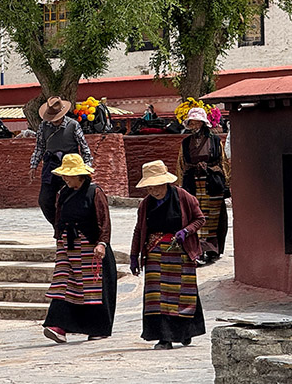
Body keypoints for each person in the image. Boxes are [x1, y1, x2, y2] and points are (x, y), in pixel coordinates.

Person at [130, 160, 207, 350]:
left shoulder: (182, 196)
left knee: (183, 295)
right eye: (150, 187)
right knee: (158, 297)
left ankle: (185, 332)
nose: (154, 191)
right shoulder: (146, 204)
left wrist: (185, 232)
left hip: (180, 252)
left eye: (156, 186)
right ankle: (164, 338)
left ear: (165, 182)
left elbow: (200, 219)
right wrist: (134, 256)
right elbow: (139, 230)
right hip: (155, 253)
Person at [42, 154, 116, 344]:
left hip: (90, 247)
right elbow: (59, 218)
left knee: (93, 289)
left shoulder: (95, 192)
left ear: (80, 175)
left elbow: (104, 221)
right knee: (63, 285)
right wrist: (59, 241)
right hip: (68, 247)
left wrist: (102, 243)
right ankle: (57, 326)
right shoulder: (63, 193)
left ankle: (97, 328)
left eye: (69, 175)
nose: (65, 179)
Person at [176, 107, 230, 264]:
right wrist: (180, 186)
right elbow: (181, 164)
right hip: (193, 184)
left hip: (212, 184)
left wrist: (226, 183)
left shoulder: (215, 141)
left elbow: (223, 161)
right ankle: (197, 251)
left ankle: (212, 250)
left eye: (196, 122)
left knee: (212, 219)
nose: (194, 125)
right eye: (191, 122)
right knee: (195, 216)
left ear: (203, 123)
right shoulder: (185, 143)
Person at [30, 96, 93, 225]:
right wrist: (33, 165)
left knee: (70, 197)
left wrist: (87, 167)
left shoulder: (73, 125)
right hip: (51, 166)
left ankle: (72, 226)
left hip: (71, 166)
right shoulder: (43, 126)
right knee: (45, 200)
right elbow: (40, 147)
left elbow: (84, 147)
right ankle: (57, 226)